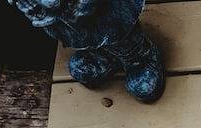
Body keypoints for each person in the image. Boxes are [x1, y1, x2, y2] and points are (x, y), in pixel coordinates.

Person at [9, 0, 165, 103]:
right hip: (58, 14)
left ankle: (139, 57)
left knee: (115, 28)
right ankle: (105, 56)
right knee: (84, 35)